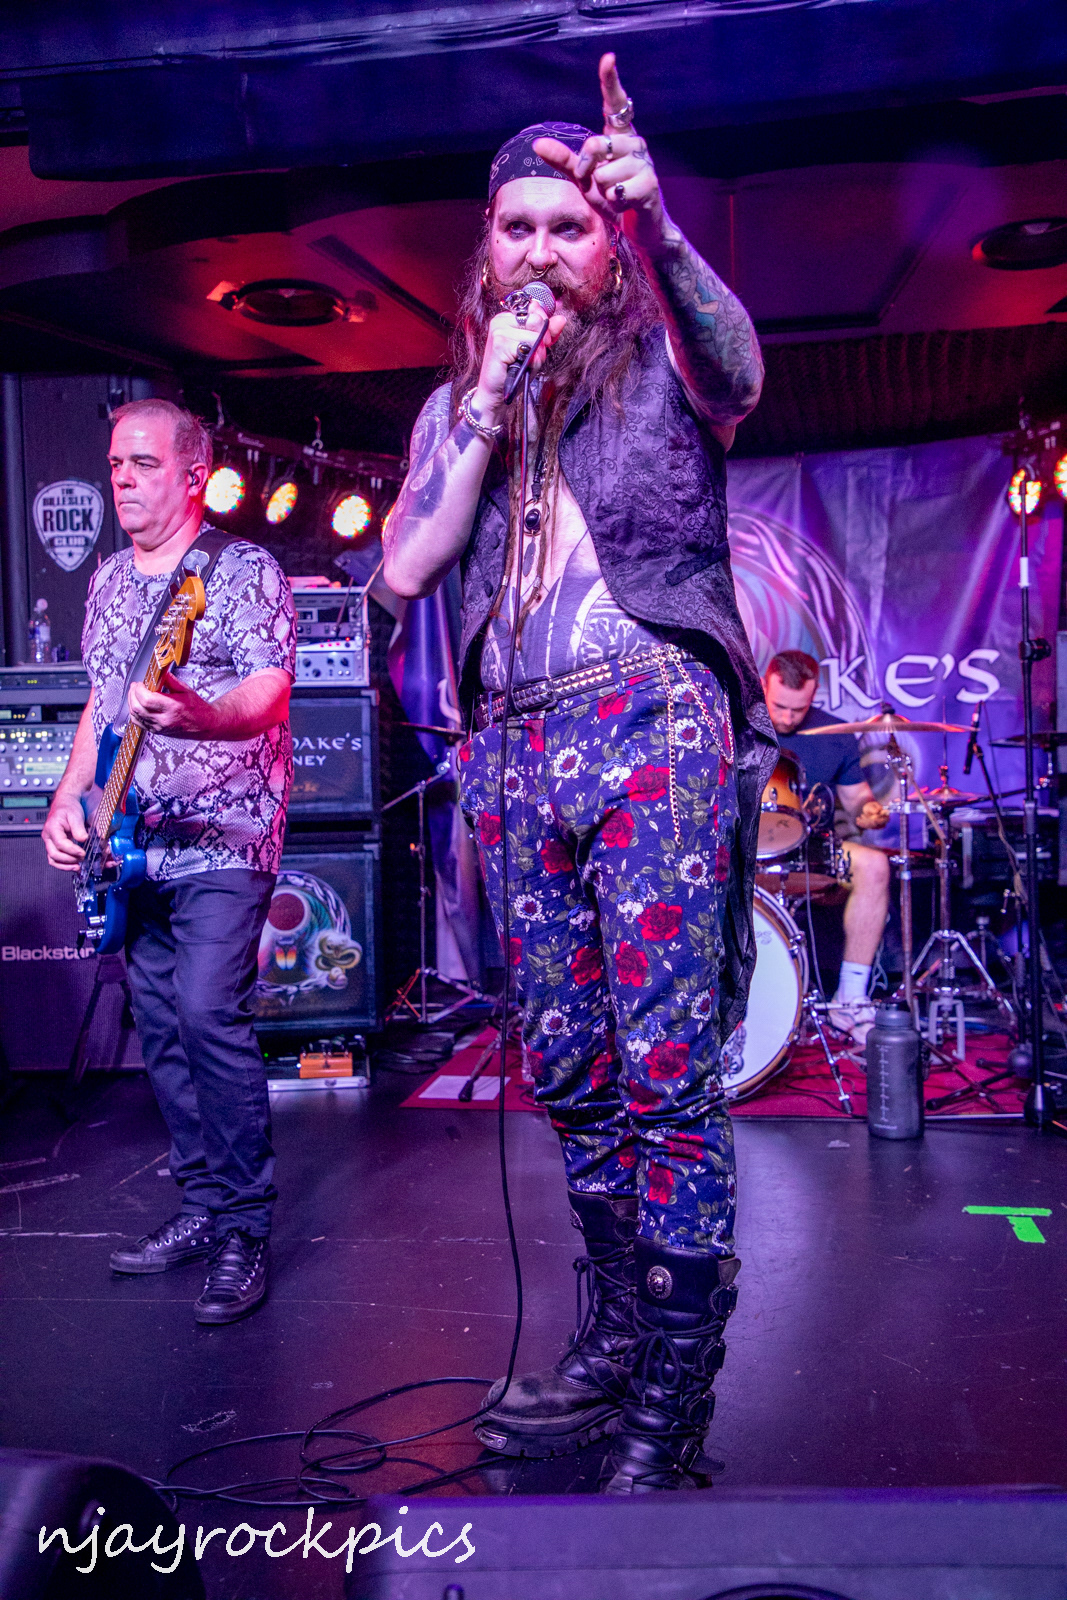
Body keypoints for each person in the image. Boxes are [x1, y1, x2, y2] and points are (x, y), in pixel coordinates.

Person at [384, 53, 776, 1493]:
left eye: (569, 226)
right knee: (565, 1065)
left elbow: (738, 372)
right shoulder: (458, 406)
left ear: (605, 246)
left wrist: (656, 221)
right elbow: (406, 567)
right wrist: (487, 401)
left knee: (666, 1071)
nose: (541, 250)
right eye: (516, 228)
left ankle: (673, 1395)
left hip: (648, 721)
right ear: (484, 249)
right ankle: (617, 1335)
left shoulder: (663, 359)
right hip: (513, 743)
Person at [43, 398, 295, 1325]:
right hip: (133, 839)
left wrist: (203, 715)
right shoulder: (110, 578)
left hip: (225, 835)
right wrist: (69, 797)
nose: (122, 478)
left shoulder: (240, 569)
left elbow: (271, 690)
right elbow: (100, 703)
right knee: (158, 1022)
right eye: (115, 462)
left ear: (194, 475)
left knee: (206, 1011)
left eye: (142, 463)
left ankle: (245, 1226)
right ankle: (203, 1204)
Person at [761, 649, 890, 1041]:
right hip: (745, 851)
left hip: (813, 848)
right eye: (779, 706)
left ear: (814, 696)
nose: (787, 718)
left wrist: (869, 811)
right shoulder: (735, 723)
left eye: (798, 710)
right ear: (764, 685)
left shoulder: (835, 733)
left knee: (875, 866)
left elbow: (857, 799)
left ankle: (850, 999)